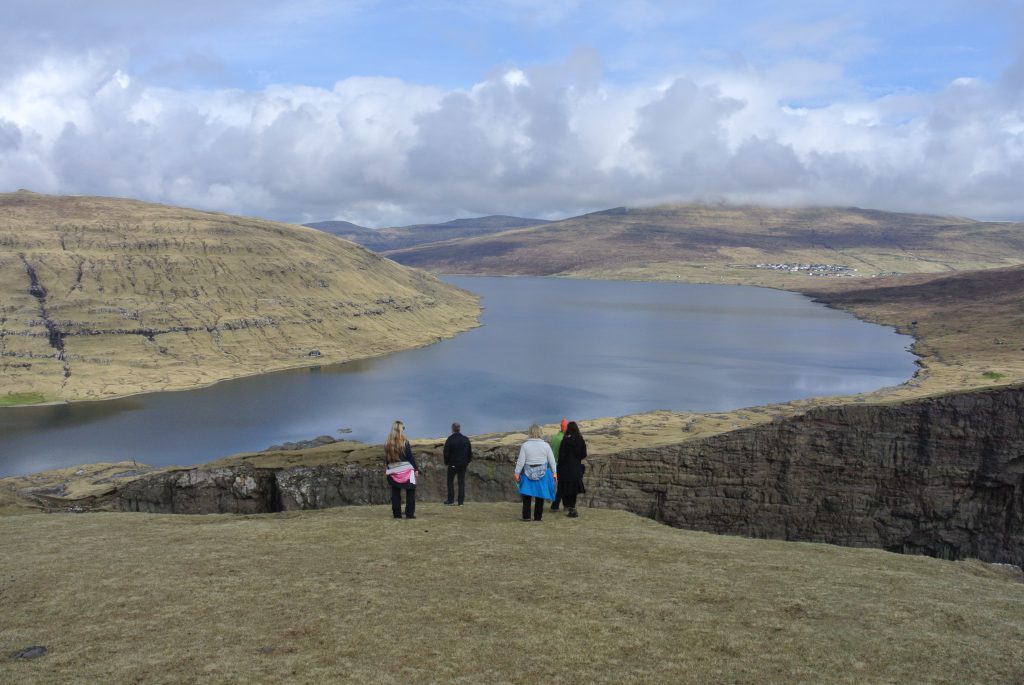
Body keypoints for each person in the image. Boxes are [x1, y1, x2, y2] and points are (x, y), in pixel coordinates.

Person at [514, 423, 557, 521]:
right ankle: (538, 517)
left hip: (527, 473)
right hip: (543, 474)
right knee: (540, 495)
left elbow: (521, 462)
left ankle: (526, 516)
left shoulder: (525, 445)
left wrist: (516, 473)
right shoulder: (546, 445)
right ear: (540, 433)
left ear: (530, 432)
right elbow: (552, 461)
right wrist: (554, 473)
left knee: (527, 495)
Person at [384, 420, 418, 519]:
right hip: (406, 470)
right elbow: (410, 457)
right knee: (410, 491)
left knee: (395, 492)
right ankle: (409, 514)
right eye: (403, 428)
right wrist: (415, 469)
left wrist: (388, 469)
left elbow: (387, 459)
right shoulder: (404, 442)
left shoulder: (387, 443)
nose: (404, 430)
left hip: (393, 470)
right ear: (400, 429)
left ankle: (397, 514)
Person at [557, 421, 587, 518]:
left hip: (565, 468)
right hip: (576, 468)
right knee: (573, 489)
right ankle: (572, 508)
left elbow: (561, 456)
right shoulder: (580, 440)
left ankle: (567, 506)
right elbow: (584, 454)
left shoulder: (565, 440)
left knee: (565, 488)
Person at [443, 422, 473, 505]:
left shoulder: (450, 439)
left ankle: (450, 500)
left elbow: (446, 452)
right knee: (461, 482)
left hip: (453, 464)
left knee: (450, 481)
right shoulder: (465, 439)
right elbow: (469, 452)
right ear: (459, 429)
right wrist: (467, 461)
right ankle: (460, 502)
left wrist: (447, 462)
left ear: (452, 429)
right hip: (463, 464)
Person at [549, 418, 567, 511]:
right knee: (562, 486)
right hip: (560, 464)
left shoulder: (555, 437)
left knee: (561, 486)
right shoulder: (563, 439)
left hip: (553, 464)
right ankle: (556, 505)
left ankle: (563, 505)